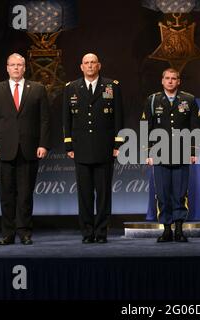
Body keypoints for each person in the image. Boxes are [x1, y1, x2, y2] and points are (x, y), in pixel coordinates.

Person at [0, 53, 51, 245]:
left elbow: (45, 119)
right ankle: (8, 233)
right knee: (6, 194)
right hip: (3, 149)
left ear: (24, 67)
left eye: (19, 65)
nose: (16, 68)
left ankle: (24, 232)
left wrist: (43, 144)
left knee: (25, 194)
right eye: (12, 65)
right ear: (7, 67)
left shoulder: (37, 89)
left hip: (29, 149)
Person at [63, 53, 123, 244]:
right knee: (84, 194)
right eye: (86, 63)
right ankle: (87, 232)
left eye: (93, 63)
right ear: (81, 67)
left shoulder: (112, 86)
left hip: (104, 148)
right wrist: (68, 144)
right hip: (80, 148)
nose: (90, 66)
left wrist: (117, 144)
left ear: (99, 65)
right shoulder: (71, 88)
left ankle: (102, 232)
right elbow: (66, 119)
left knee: (104, 194)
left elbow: (119, 117)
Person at [141, 68, 200, 242]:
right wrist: (148, 152)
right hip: (159, 154)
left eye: (173, 78)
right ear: (162, 81)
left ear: (178, 81)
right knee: (162, 193)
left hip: (182, 153)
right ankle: (166, 229)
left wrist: (193, 151)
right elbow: (146, 127)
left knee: (180, 193)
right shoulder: (153, 100)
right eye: (167, 78)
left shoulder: (188, 100)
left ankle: (179, 230)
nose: (170, 81)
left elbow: (196, 127)